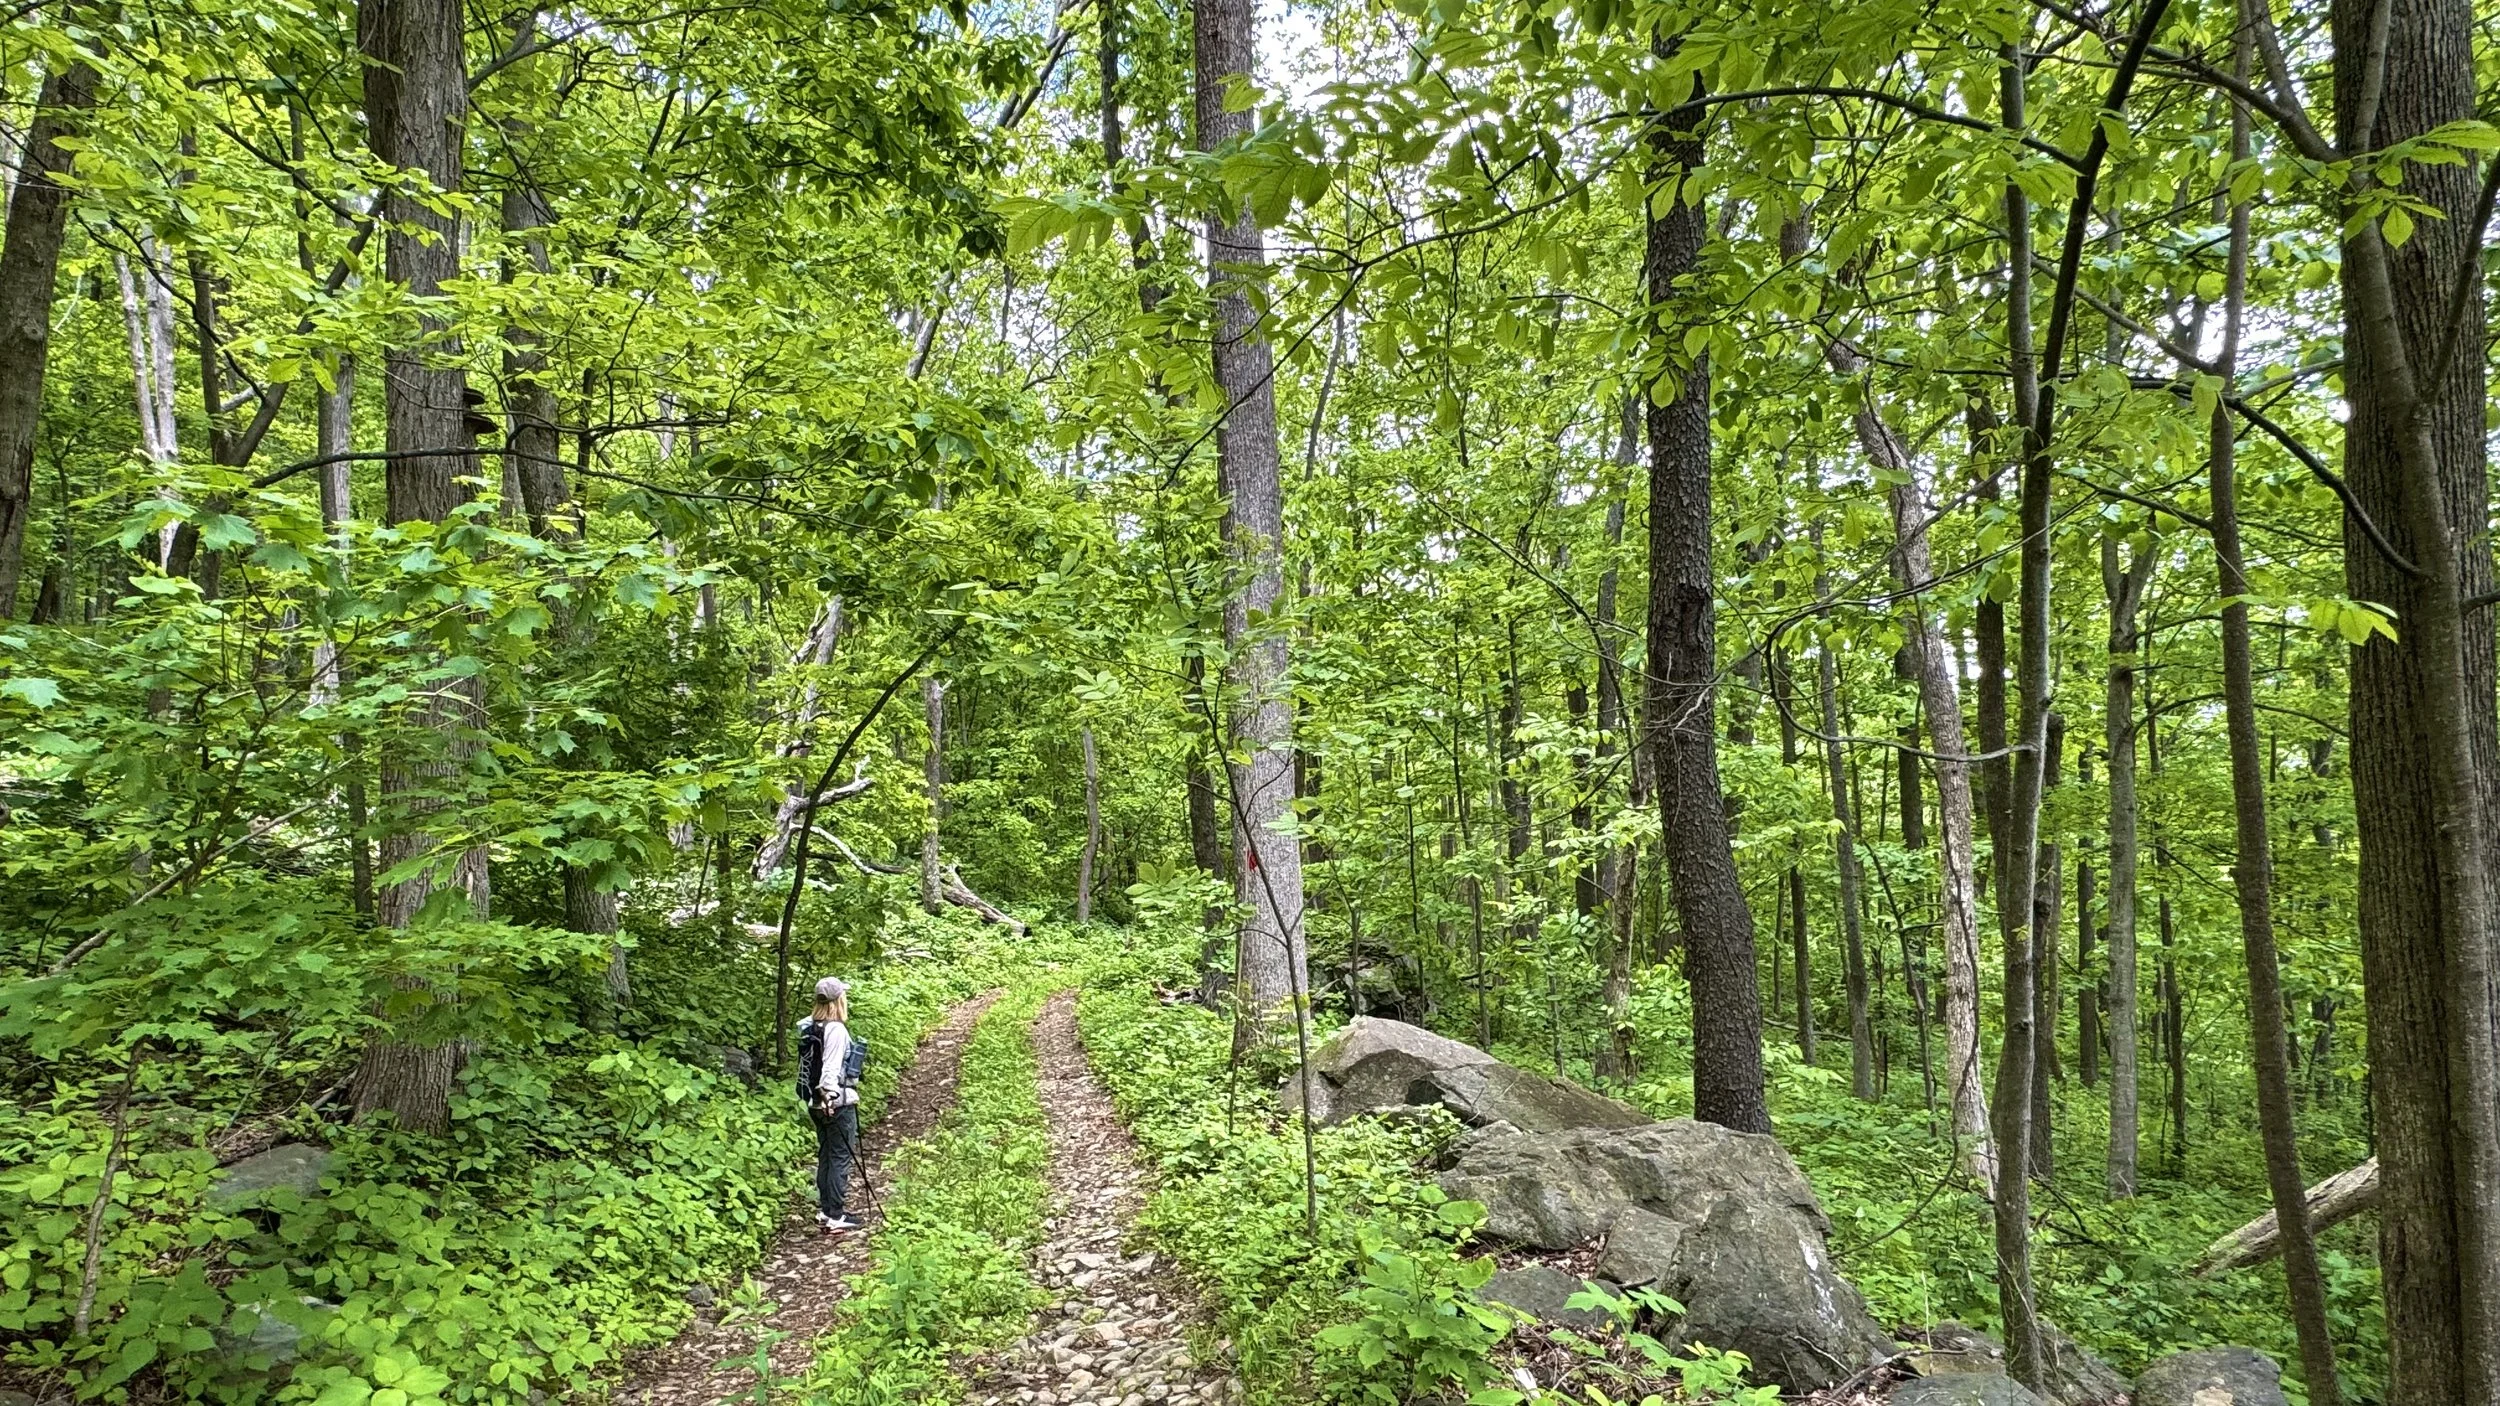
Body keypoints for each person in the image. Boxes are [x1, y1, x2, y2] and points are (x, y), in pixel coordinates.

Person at [795, 976, 861, 1234]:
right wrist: (829, 1097)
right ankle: (836, 1215)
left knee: (826, 1154)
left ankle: (825, 1211)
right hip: (834, 1103)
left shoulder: (809, 1026)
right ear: (838, 1000)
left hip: (813, 1101)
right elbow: (831, 1069)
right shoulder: (836, 1030)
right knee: (839, 1156)